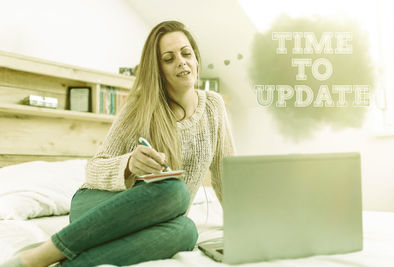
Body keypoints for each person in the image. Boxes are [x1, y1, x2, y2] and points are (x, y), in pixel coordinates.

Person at [1, 20, 235, 267]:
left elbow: (226, 174)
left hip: (155, 218)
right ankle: (42, 254)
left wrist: (247, 224)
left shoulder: (213, 106)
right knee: (175, 191)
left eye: (187, 53)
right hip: (98, 207)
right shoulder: (140, 108)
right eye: (168, 58)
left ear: (196, 59)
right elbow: (93, 169)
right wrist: (129, 164)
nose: (181, 61)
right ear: (157, 69)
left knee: (187, 231)